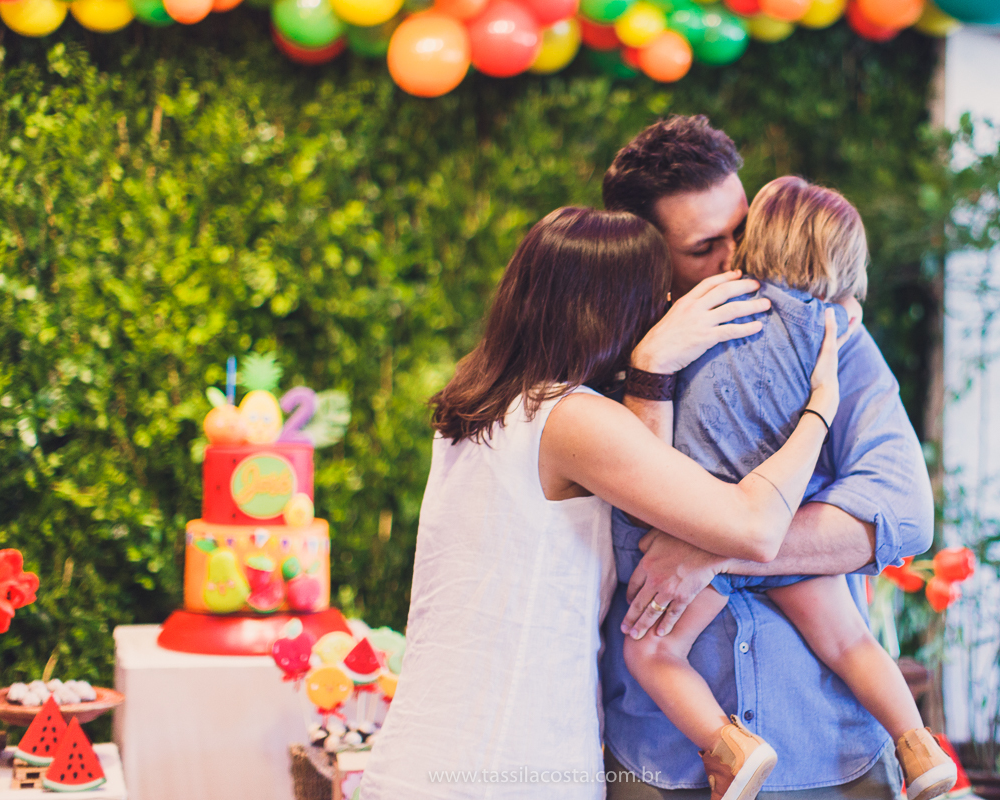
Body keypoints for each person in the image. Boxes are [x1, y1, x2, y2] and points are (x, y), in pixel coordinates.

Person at [359, 206, 849, 799]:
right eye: (658, 297)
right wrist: (821, 405)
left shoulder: (481, 405)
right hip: (509, 763)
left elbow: (642, 491)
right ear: (619, 309)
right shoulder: (570, 419)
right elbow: (754, 529)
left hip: (428, 753)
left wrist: (649, 374)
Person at [600, 116, 936, 800]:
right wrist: (651, 367)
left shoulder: (839, 336)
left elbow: (903, 514)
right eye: (704, 248)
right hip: (662, 757)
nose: (736, 259)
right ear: (648, 254)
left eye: (742, 230)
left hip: (827, 742)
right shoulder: (607, 352)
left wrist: (721, 546)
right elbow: (635, 518)